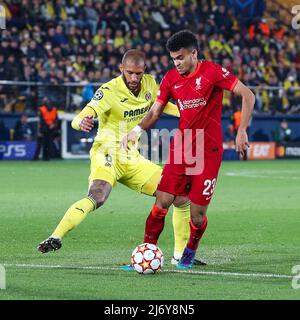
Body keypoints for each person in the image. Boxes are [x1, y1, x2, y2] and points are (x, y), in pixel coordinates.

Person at [37, 49, 204, 266]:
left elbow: (160, 106)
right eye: (130, 73)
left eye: (139, 73)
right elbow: (79, 118)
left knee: (181, 194)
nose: (134, 78)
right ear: (121, 69)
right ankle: (55, 237)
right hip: (106, 153)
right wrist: (82, 122)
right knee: (98, 196)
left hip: (131, 158)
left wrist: (189, 111)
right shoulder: (108, 91)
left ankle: (180, 256)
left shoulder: (150, 84)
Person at [122, 31, 255, 269]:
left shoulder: (213, 72)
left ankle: (189, 252)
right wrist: (136, 131)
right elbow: (155, 111)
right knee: (163, 200)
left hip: (208, 152)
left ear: (194, 53)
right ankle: (146, 251)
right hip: (182, 149)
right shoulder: (171, 78)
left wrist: (242, 130)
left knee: (197, 215)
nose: (177, 63)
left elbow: (248, 94)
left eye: (181, 57)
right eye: (173, 59)